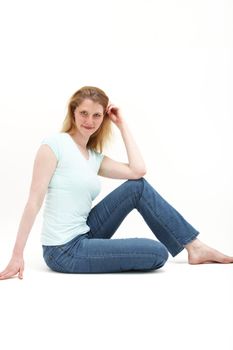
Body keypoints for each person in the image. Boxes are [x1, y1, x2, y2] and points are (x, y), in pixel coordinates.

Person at [1, 86, 233, 279]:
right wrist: (16, 254)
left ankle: (195, 247)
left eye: (96, 115)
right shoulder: (54, 145)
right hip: (64, 250)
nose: (89, 121)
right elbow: (33, 201)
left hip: (87, 232)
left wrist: (121, 124)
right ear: (73, 113)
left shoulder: (93, 156)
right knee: (157, 253)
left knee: (137, 187)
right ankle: (191, 249)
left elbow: (138, 171)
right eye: (83, 113)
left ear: (103, 118)